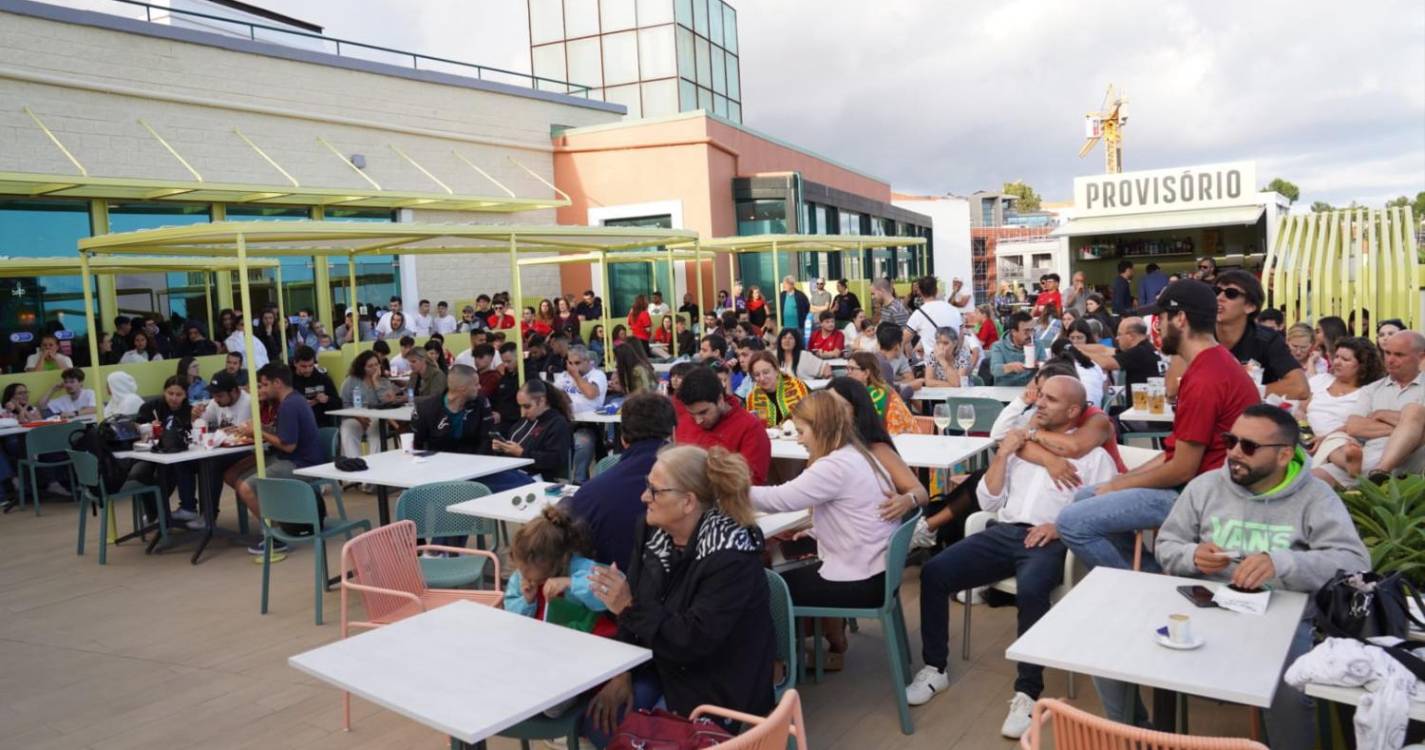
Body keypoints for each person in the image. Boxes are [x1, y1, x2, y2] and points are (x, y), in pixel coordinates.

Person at [1096, 405, 1369, 747]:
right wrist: (1191, 555)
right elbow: (1167, 543)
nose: (1235, 453)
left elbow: (1354, 561)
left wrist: (1281, 563)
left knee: (1287, 689)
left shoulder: (1315, 497)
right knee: (1106, 648)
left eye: (1249, 447)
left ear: (1285, 454)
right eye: (1231, 441)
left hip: (1282, 616)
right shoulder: (1206, 486)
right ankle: (1134, 734)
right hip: (1202, 604)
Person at [907, 376, 1118, 737]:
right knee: (935, 572)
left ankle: (1027, 692)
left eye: (1050, 399)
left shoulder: (1095, 458)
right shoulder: (1020, 446)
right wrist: (1004, 454)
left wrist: (1060, 525)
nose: (1040, 402)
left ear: (1072, 411)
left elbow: (1103, 511)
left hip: (1052, 538)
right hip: (1004, 532)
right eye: (1041, 396)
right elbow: (988, 500)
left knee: (1034, 589)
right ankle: (935, 668)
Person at [1057, 280, 1259, 572]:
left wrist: (1118, 485)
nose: (1157, 327)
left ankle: (1146, 582)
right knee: (1085, 496)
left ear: (1180, 319)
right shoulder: (1210, 364)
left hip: (1202, 496)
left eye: (1161, 318)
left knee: (1071, 522)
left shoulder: (1205, 377)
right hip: (1200, 485)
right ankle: (1145, 571)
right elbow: (1174, 452)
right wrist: (1120, 481)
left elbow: (1182, 468)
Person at [583, 444, 774, 745]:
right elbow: (633, 607)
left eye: (656, 491)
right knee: (600, 723)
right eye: (647, 487)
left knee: (638, 738)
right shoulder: (651, 533)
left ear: (688, 502)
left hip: (717, 684)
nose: (644, 497)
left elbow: (692, 640)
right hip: (665, 664)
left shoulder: (729, 557)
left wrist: (628, 607)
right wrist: (623, 674)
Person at [749, 390, 898, 665]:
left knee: (764, 587)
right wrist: (819, 531)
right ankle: (815, 647)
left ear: (820, 428)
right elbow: (857, 512)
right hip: (879, 571)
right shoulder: (859, 453)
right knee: (782, 563)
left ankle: (778, 666)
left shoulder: (834, 466)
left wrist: (726, 489)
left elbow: (780, 499)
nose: (799, 438)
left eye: (802, 430)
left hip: (860, 581)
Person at [562, 392, 676, 567]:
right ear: (674, 433)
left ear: (622, 439)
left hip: (604, 587)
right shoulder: (697, 485)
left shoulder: (590, 494)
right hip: (683, 590)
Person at [228, 364, 326, 556]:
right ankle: (276, 522)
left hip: (301, 465)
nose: (262, 390)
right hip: (297, 459)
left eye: (264, 385)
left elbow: (288, 445)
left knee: (246, 488)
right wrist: (264, 428)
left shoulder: (289, 405)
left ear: (277, 383)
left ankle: (275, 536)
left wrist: (258, 431)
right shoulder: (294, 400)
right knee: (235, 476)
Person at [1193, 270, 1308, 400]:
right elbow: (1173, 388)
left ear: (1250, 306)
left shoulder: (1268, 339)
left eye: (1231, 294)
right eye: (1216, 291)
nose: (1219, 298)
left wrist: (1244, 391)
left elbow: (1300, 388)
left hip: (1252, 414)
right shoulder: (1197, 335)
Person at [1332, 331, 1425, 484]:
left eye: (1399, 355)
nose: (1390, 360)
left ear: (1421, 357)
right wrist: (1411, 428)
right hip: (1364, 459)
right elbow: (1354, 427)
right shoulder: (1371, 390)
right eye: (1387, 353)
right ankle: (1372, 473)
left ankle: (1382, 470)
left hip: (1410, 465)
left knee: (1414, 410)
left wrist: (1382, 414)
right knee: (1315, 477)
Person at [503, 505, 607, 628]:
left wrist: (571, 582)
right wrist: (527, 601)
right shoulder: (521, 575)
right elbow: (511, 614)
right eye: (522, 572)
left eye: (539, 580)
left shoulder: (580, 568)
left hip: (580, 637)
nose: (528, 579)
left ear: (558, 563)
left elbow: (606, 595)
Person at [1299, 337, 1382, 485]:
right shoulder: (1321, 380)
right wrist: (1306, 430)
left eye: (1345, 359)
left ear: (1362, 365)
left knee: (1339, 442)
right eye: (1336, 356)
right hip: (1307, 435)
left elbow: (1359, 424)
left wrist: (1325, 437)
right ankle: (1349, 466)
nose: (1337, 362)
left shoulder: (1368, 393)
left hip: (1341, 436)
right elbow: (1301, 409)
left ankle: (1349, 463)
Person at [674, 366, 771, 485]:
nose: (698, 420)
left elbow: (752, 483)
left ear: (720, 399)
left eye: (703, 412)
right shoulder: (684, 421)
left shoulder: (750, 429)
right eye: (691, 414)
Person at [490, 379, 574, 481]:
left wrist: (522, 453)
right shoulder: (523, 422)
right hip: (517, 473)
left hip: (539, 478)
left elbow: (555, 459)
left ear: (542, 401)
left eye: (527, 406)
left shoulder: (558, 423)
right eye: (521, 406)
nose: (524, 412)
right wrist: (502, 449)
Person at [409, 363, 494, 455]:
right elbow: (417, 444)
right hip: (437, 463)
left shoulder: (481, 403)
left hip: (473, 462)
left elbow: (486, 440)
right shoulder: (426, 408)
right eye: (476, 384)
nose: (479, 387)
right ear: (463, 388)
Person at [552, 345, 607, 482]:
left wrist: (576, 376)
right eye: (570, 363)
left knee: (583, 442)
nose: (572, 367)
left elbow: (591, 393)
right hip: (564, 422)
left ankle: (579, 480)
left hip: (586, 424)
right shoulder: (564, 376)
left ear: (587, 361)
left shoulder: (597, 375)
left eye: (577, 363)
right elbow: (554, 396)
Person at [337, 351, 400, 458]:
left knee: (376, 430)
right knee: (347, 428)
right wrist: (358, 417)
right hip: (355, 416)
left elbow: (388, 402)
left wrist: (376, 382)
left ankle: (375, 461)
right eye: (370, 366)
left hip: (378, 417)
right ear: (362, 367)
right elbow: (343, 404)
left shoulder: (384, 382)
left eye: (376, 364)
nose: (374, 368)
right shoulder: (351, 381)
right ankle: (354, 462)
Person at [846, 351, 915, 435]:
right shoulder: (869, 390)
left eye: (852, 369)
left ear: (866, 373)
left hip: (900, 440)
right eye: (847, 368)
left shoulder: (875, 394)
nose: (848, 373)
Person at [1079, 316, 1160, 388]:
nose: (1117, 338)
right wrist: (1075, 346)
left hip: (1143, 403)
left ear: (1131, 336)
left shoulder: (1140, 352)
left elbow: (1106, 363)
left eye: (1119, 334)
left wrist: (1077, 352)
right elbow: (1104, 350)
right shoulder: (1143, 347)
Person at [745, 350, 809, 429]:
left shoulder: (798, 386)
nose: (762, 378)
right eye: (757, 375)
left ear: (776, 370)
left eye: (766, 372)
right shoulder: (752, 398)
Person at [905, 276, 964, 359]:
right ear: (936, 290)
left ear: (920, 292)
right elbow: (961, 336)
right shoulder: (954, 310)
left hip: (932, 364)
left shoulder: (918, 314)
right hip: (952, 361)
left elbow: (904, 339)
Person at [287, 346, 340, 425]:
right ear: (295, 363)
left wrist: (327, 399)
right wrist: (299, 403)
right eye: (303, 366)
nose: (308, 369)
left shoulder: (323, 379)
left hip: (320, 423)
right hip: (295, 423)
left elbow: (338, 403)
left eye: (311, 365)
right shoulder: (287, 380)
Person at [988, 311, 1038, 387]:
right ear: (1014, 332)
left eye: (1032, 330)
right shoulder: (998, 346)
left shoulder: (1038, 344)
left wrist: (1040, 365)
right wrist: (1011, 367)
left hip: (1030, 390)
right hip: (1005, 390)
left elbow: (1045, 368)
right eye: (1026, 331)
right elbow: (995, 370)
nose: (1031, 335)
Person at [778, 275, 811, 340]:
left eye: (785, 284)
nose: (783, 286)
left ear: (792, 285)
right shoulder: (782, 295)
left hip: (797, 327)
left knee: (798, 344)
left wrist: (802, 318)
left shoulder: (800, 295)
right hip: (785, 326)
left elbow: (807, 307)